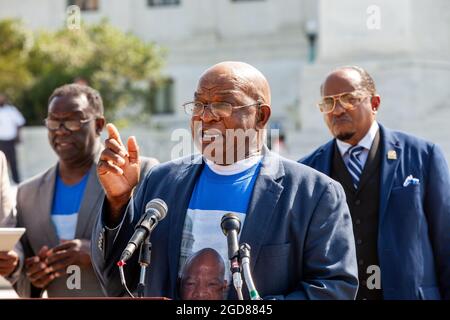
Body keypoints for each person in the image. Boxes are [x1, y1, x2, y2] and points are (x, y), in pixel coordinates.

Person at [91, 61, 358, 300]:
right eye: (199, 105)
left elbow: (334, 288)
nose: (206, 116)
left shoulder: (314, 193)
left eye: (222, 104)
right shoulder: (160, 183)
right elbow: (117, 284)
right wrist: (118, 202)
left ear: (261, 116)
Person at [300, 66, 450, 300]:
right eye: (329, 103)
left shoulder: (424, 156)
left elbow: (446, 241)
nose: (337, 110)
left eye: (349, 99)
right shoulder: (308, 171)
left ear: (375, 103)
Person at [1, 84, 158, 297]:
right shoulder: (28, 193)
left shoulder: (140, 174)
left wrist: (96, 252)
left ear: (98, 125)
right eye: (54, 122)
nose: (61, 130)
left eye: (73, 121)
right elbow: (25, 275)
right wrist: (33, 273)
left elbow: (161, 251)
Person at [0, 94, 25, 184]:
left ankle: (17, 182)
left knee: (13, 162)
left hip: (10, 140)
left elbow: (19, 123)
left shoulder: (11, 110)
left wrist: (19, 136)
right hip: (0, 141)